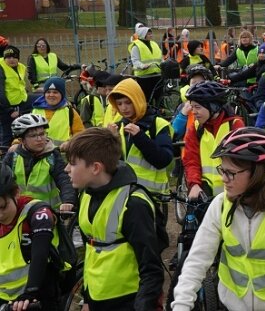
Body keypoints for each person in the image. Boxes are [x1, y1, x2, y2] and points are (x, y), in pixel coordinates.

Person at [171, 127, 265, 310]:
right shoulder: (220, 204)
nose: (223, 179)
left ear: (256, 173)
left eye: (230, 173)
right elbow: (197, 259)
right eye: (222, 170)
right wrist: (181, 304)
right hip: (232, 305)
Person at [63, 128, 163, 310]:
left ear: (95, 168)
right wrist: (87, 299)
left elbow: (151, 267)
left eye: (73, 163)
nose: (66, 169)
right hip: (96, 295)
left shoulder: (133, 204)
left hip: (128, 300)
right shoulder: (86, 193)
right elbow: (90, 250)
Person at [106, 78, 174, 247]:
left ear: (137, 99)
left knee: (152, 243)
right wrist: (110, 140)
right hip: (124, 194)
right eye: (119, 104)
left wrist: (140, 137)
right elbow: (115, 162)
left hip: (151, 195)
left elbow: (163, 160)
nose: (124, 108)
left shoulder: (158, 124)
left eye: (128, 102)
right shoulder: (119, 126)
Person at [0, 165, 65, 310]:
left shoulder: (37, 212)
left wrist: (30, 292)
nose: (0, 215)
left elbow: (40, 254)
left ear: (16, 193)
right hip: (4, 294)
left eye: (3, 207)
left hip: (37, 291)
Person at [183, 81, 246, 199]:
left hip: (232, 192)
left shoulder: (235, 125)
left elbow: (242, 163)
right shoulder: (196, 128)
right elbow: (191, 160)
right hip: (204, 191)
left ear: (213, 107)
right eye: (192, 107)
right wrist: (194, 184)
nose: (194, 112)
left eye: (198, 107)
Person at [2, 113, 77, 209]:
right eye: (33, 136)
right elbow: (2, 179)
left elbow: (64, 179)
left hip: (48, 213)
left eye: (42, 134)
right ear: (22, 140)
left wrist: (68, 200)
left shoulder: (52, 156)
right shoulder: (13, 156)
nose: (40, 139)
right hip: (20, 212)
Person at [31, 77, 84, 147]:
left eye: (55, 92)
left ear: (62, 95)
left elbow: (80, 134)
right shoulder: (35, 110)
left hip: (61, 154)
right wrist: (16, 143)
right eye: (48, 92)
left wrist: (70, 143)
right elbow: (26, 132)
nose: (51, 95)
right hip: (39, 153)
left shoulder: (70, 111)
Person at [1, 46, 33, 149]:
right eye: (8, 57)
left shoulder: (21, 67)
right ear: (4, 58)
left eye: (14, 57)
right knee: (8, 134)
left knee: (22, 131)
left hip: (20, 101)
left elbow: (19, 85)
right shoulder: (1, 68)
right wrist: (9, 111)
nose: (11, 60)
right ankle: (3, 158)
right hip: (6, 106)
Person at [128, 24, 165, 102]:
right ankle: (148, 111)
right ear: (143, 35)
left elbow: (160, 57)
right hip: (144, 76)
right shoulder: (136, 46)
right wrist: (142, 66)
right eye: (148, 34)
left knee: (159, 94)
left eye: (151, 33)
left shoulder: (154, 44)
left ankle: (161, 110)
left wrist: (163, 63)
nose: (151, 35)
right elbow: (135, 60)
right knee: (146, 96)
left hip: (157, 74)